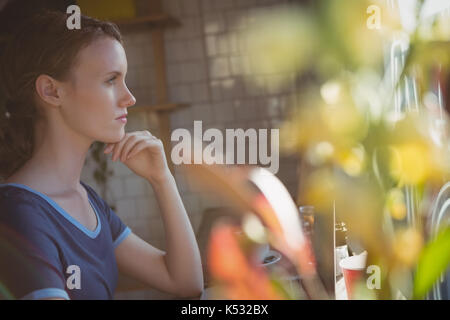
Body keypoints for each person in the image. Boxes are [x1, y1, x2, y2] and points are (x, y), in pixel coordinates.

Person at [0, 10, 203, 300]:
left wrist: (161, 178)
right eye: (111, 80)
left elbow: (185, 282)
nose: (129, 98)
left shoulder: (88, 202)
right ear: (51, 91)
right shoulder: (16, 213)